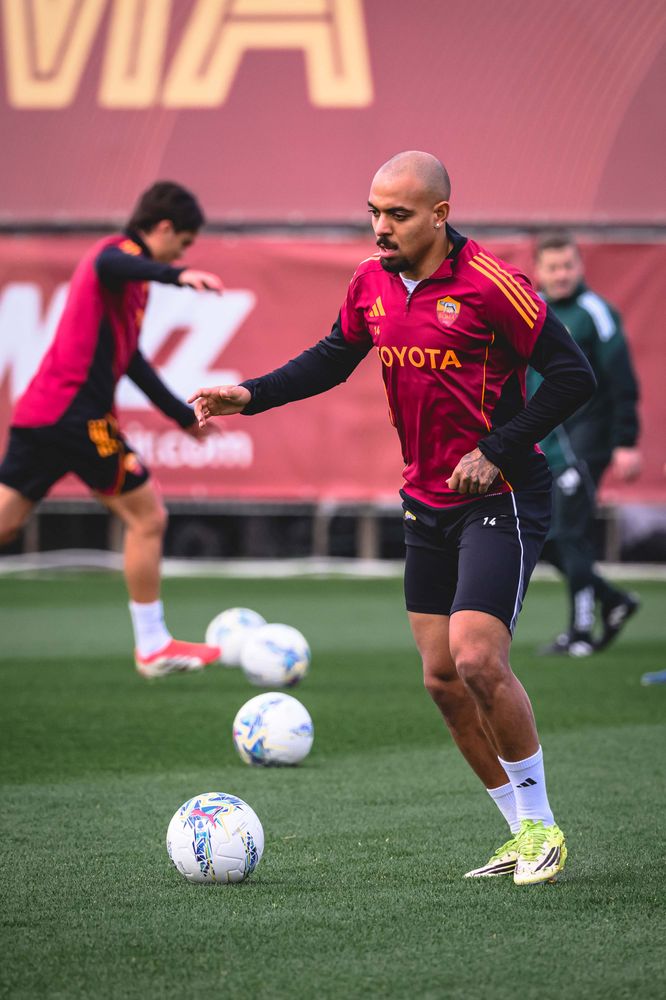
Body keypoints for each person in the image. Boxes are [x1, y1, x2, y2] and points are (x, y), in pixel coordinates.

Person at [188, 151, 596, 885]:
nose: (381, 226)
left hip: (500, 497)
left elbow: (574, 376)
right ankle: (514, 831)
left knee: (477, 658)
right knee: (442, 680)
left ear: (440, 215)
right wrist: (249, 394)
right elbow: (332, 357)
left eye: (398, 214)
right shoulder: (370, 282)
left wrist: (498, 449)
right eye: (374, 211)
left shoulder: (492, 284)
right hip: (425, 499)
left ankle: (544, 827)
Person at [0, 181, 224, 677]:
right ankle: (152, 646)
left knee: (6, 522)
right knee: (148, 517)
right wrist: (178, 274)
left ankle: (154, 645)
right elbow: (111, 263)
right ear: (163, 228)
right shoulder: (115, 255)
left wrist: (182, 417)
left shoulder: (131, 285)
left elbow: (133, 361)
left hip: (42, 412)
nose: (183, 252)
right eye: (183, 242)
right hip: (78, 417)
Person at [530, 231, 641, 656]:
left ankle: (580, 631)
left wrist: (626, 441)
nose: (561, 275)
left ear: (580, 267)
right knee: (546, 538)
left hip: (585, 441)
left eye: (568, 266)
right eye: (553, 267)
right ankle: (613, 600)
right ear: (539, 271)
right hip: (546, 445)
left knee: (570, 533)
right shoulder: (532, 310)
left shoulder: (595, 312)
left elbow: (621, 378)